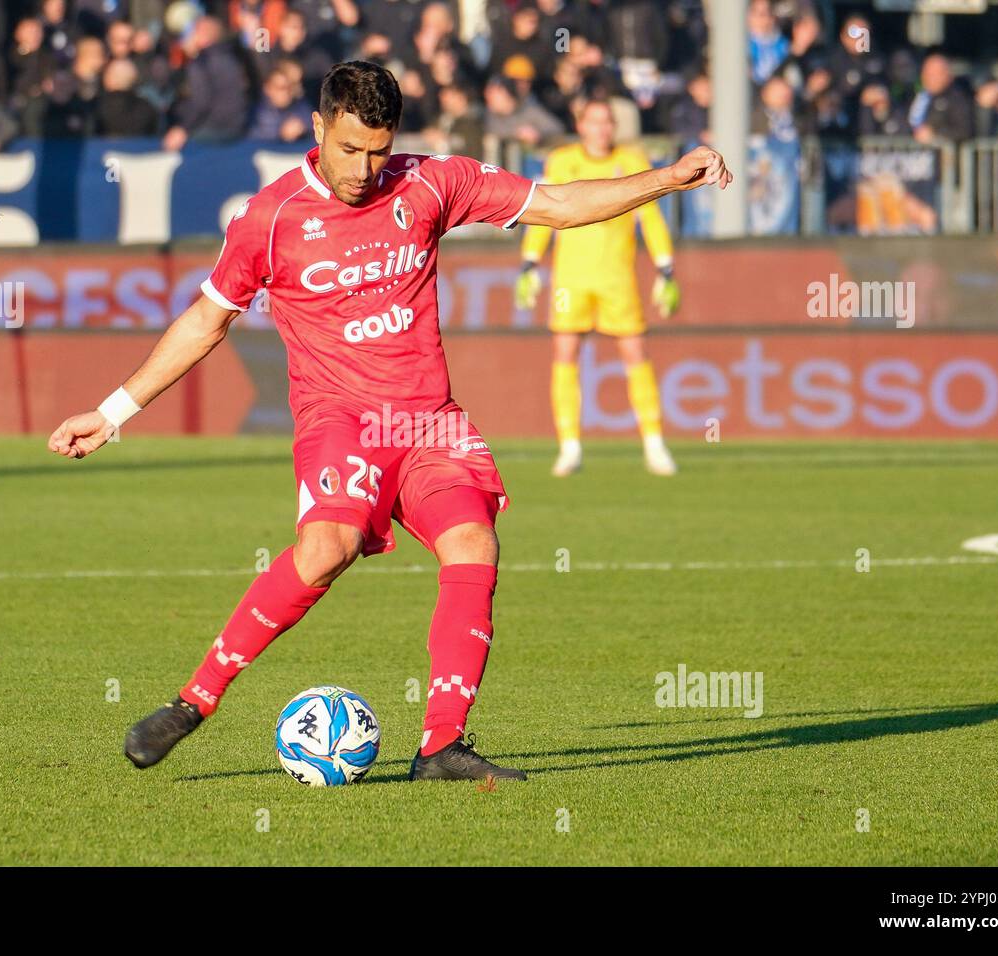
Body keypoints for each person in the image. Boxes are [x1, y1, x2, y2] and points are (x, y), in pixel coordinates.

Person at [48, 60, 730, 782]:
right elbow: (205, 323)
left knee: (475, 543)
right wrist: (113, 412)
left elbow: (557, 205)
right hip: (338, 417)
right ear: (318, 129)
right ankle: (192, 703)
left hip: (428, 422)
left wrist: (667, 177)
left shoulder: (430, 182)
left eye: (378, 150)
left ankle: (441, 746)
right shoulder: (269, 219)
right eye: (349, 150)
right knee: (327, 548)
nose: (364, 168)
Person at [515, 97, 680, 478]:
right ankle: (570, 446)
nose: (602, 129)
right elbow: (543, 211)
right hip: (570, 277)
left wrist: (665, 265)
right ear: (581, 124)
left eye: (607, 122)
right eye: (594, 121)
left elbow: (650, 216)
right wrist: (529, 262)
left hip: (617, 276)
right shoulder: (562, 161)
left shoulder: (633, 160)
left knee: (635, 352)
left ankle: (654, 444)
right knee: (565, 352)